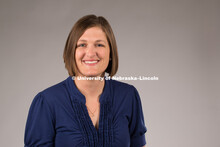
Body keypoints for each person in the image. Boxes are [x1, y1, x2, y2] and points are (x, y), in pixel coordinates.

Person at [24, 14, 147, 147]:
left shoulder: (128, 96)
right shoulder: (47, 102)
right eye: (82, 45)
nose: (90, 53)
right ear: (71, 51)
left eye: (99, 44)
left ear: (111, 53)